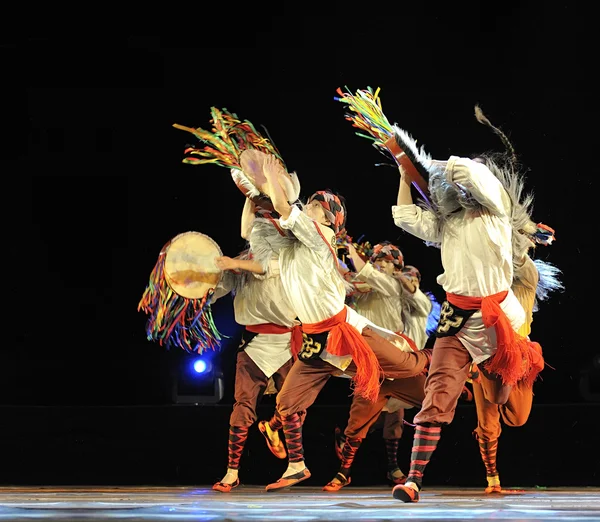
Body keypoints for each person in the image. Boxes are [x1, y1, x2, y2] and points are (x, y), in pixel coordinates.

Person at [388, 118, 545, 503]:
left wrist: (425, 163)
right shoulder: (448, 223)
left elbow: (469, 170)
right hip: (457, 320)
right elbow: (407, 218)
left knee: (508, 403)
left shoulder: (495, 209)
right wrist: (405, 175)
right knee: (437, 394)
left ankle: (502, 380)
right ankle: (413, 480)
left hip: (499, 320)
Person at [256, 153, 432, 491]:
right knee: (285, 401)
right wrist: (256, 190)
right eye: (308, 202)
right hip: (315, 339)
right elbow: (267, 220)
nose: (308, 204)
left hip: (342, 334)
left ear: (328, 218)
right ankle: (296, 465)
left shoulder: (319, 234)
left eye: (315, 204)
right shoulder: (297, 242)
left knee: (408, 367)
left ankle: (435, 357)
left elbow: (282, 207)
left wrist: (268, 174)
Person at [210, 173, 303, 493]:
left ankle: (296, 465)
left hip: (287, 339)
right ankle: (232, 472)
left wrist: (231, 263)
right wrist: (196, 282)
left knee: (291, 405)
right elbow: (215, 291)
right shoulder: (241, 262)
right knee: (242, 406)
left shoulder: (287, 253)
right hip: (253, 344)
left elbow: (265, 268)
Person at [325, 241, 427, 490]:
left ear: (397, 267)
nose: (380, 264)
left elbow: (420, 302)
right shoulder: (365, 286)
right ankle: (344, 471)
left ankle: (395, 467)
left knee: (406, 411)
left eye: (386, 261)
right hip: (370, 356)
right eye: (377, 259)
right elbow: (346, 280)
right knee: (363, 413)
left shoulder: (392, 285)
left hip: (397, 356)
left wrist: (351, 253)